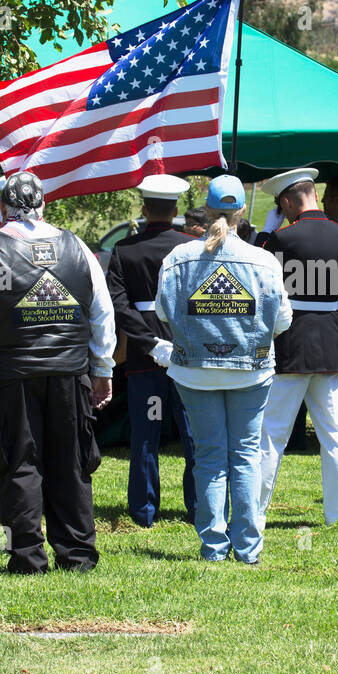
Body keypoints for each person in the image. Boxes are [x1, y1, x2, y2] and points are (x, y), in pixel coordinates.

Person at [0, 171, 114, 573]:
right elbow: (102, 314)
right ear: (43, 205)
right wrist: (102, 368)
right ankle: (78, 555)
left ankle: (27, 557)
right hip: (70, 374)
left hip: (10, 377)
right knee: (72, 462)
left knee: (18, 463)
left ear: (2, 209)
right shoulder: (77, 247)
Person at [156, 175, 291, 564]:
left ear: (206, 207)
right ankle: (248, 548)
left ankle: (214, 546)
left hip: (194, 370)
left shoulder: (178, 259)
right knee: (246, 455)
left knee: (210, 456)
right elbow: (282, 320)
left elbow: (164, 312)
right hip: (250, 370)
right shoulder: (263, 260)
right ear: (241, 212)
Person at [258, 168, 338, 526]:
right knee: (336, 436)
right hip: (330, 342)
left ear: (287, 202)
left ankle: (256, 507)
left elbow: (269, 295)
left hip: (290, 344)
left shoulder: (281, 239)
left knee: (272, 433)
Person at [106, 174, 198, 527]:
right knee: (193, 433)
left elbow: (119, 304)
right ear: (176, 209)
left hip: (146, 359)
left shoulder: (125, 250)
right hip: (187, 354)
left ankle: (144, 511)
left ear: (143, 209)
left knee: (147, 432)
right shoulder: (193, 247)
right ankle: (199, 506)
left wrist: (148, 343)